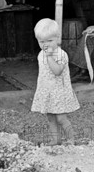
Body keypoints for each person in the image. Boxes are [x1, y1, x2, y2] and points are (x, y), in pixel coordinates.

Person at [31, 18, 80, 146]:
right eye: (42, 42)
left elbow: (57, 71)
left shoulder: (61, 54)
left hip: (59, 91)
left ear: (57, 38)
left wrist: (49, 57)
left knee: (61, 118)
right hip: (47, 91)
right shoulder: (41, 54)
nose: (46, 45)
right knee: (50, 117)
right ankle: (55, 139)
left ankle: (71, 139)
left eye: (50, 41)